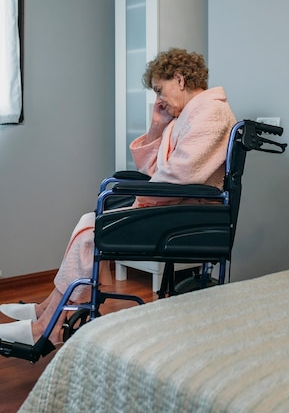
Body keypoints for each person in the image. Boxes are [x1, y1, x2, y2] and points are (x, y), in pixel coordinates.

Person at [0, 48, 236, 347]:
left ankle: (46, 328)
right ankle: (46, 311)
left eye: (159, 89)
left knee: (92, 230)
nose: (158, 99)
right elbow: (153, 170)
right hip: (176, 209)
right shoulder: (188, 116)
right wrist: (157, 127)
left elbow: (180, 176)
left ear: (179, 79)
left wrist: (140, 202)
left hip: (187, 217)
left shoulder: (211, 113)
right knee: (91, 221)